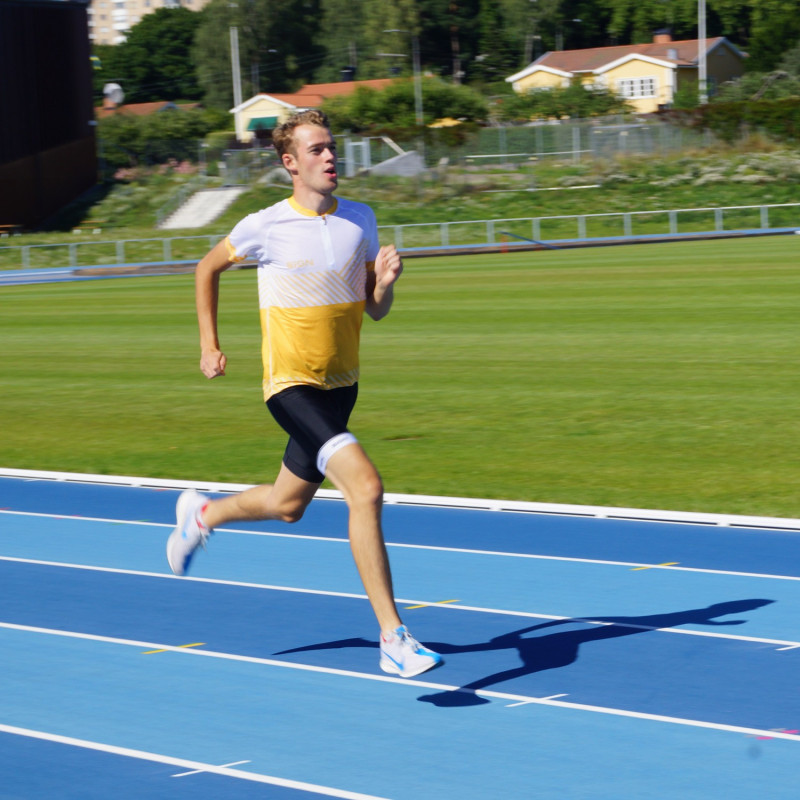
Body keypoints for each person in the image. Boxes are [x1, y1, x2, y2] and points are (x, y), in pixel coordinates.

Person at [166, 109, 442, 679]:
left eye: (332, 147)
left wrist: (385, 286)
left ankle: (203, 514)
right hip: (290, 387)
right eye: (316, 150)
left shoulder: (360, 219)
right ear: (290, 163)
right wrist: (208, 344)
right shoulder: (264, 225)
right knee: (365, 487)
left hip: (342, 386)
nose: (330, 157)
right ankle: (393, 637)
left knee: (289, 506)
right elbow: (205, 268)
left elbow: (374, 308)